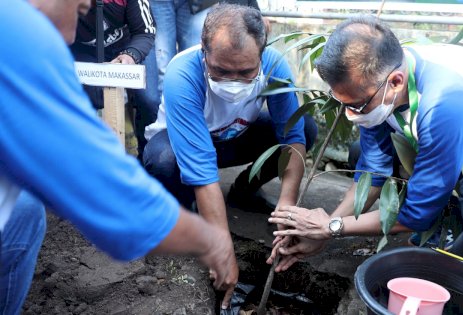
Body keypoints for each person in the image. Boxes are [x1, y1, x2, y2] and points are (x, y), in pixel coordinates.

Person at [267, 16, 463, 271]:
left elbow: (416, 215)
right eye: (342, 102)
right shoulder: (380, 79)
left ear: (396, 82)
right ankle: (445, 220)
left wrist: (332, 227)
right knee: (362, 150)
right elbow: (374, 170)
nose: (350, 114)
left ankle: (460, 265)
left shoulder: (444, 100)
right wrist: (326, 227)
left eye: (357, 105)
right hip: (458, 145)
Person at [0, 0, 237, 313]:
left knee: (25, 211)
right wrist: (212, 242)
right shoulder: (18, 32)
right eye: (81, 12)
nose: (72, 38)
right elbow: (104, 191)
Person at [142, 2, 317, 299]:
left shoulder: (274, 66)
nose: (232, 81)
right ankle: (184, 213)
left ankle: (244, 190)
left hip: (233, 140)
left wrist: (286, 210)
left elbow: (293, 138)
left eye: (246, 72)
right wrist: (221, 247)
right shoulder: (182, 72)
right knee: (164, 162)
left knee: (307, 128)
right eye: (220, 71)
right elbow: (199, 164)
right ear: (203, 50)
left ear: (261, 53)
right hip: (180, 147)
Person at [70, 0, 161, 154]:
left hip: (131, 43)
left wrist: (131, 55)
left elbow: (145, 31)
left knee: (149, 101)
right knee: (85, 103)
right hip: (84, 52)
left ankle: (148, 157)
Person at [151, 0, 263, 97]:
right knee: (162, 63)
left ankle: (200, 109)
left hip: (199, 2)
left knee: (199, 62)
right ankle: (168, 114)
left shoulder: (271, 59)